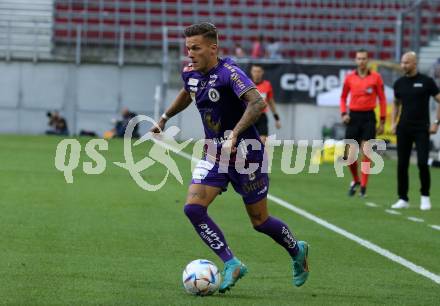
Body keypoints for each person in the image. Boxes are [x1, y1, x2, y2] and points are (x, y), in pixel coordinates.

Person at [151, 23, 309, 293]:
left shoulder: (230, 74)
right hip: (213, 152)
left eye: (196, 48)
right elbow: (188, 92)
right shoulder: (190, 72)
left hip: (246, 155)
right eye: (188, 48)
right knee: (193, 208)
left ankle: (297, 250)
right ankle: (231, 262)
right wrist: (165, 118)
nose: (190, 53)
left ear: (213, 48)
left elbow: (257, 102)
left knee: (260, 221)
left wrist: (235, 134)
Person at [391, 52, 440, 211]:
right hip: (404, 128)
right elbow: (396, 104)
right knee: (402, 164)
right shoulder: (399, 83)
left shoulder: (427, 82)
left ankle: (425, 197)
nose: (403, 65)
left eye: (406, 63)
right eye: (402, 62)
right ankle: (403, 198)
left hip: (422, 129)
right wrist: (393, 123)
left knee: (422, 162)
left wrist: (436, 123)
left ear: (414, 63)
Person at [340, 49, 386, 197]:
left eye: (364, 58)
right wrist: (344, 113)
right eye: (359, 58)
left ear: (368, 60)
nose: (361, 61)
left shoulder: (376, 77)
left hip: (368, 117)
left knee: (367, 152)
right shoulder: (349, 78)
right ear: (355, 60)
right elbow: (343, 97)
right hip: (353, 117)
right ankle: (356, 180)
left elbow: (382, 98)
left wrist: (383, 119)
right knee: (349, 156)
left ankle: (364, 187)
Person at [250, 64, 281, 144]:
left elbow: (271, 102)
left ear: (262, 72)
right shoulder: (246, 85)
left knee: (263, 141)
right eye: (255, 71)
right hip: (248, 117)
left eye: (258, 71)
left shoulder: (267, 85)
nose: (257, 73)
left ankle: (260, 156)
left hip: (261, 117)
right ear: (251, 72)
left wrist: (276, 118)